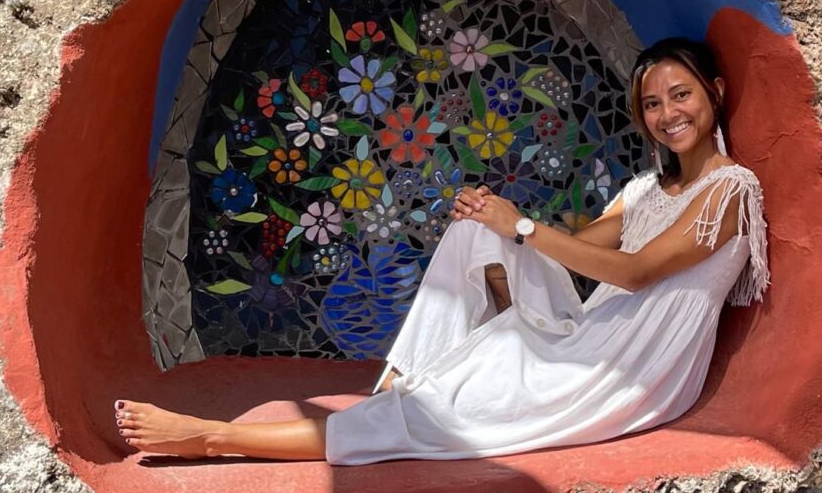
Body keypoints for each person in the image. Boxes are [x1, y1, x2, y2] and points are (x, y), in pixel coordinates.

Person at [114, 37, 769, 463]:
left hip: (619, 374)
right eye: (651, 103)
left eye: (680, 95)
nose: (666, 113)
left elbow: (632, 273)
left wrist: (518, 229)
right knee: (471, 232)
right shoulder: (644, 190)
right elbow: (566, 253)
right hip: (584, 338)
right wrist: (495, 224)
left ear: (714, 90)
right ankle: (399, 387)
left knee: (431, 413)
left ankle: (215, 438)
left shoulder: (729, 190)